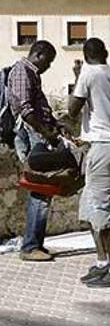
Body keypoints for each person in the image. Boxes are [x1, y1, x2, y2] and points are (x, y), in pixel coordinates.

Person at [68, 38, 110, 287]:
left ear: (85, 56)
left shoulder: (88, 73)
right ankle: (102, 262)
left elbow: (73, 110)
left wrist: (77, 77)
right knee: (90, 204)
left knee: (101, 208)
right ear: (106, 53)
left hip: (102, 145)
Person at [8, 40, 65, 262]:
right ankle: (30, 246)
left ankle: (35, 243)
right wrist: (46, 132)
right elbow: (25, 109)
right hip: (31, 136)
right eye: (48, 61)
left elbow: (39, 108)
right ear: (38, 54)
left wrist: (55, 125)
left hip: (38, 135)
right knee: (40, 188)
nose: (48, 66)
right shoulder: (22, 71)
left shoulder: (32, 73)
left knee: (43, 189)